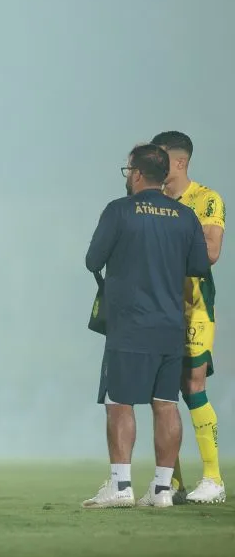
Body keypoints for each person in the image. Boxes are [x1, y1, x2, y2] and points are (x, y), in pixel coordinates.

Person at [82, 144, 210, 509]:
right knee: (167, 405)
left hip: (129, 324)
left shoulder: (119, 211)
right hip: (171, 325)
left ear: (137, 173)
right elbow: (199, 265)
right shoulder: (185, 216)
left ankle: (121, 486)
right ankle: (161, 490)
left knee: (119, 403)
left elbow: (93, 259)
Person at [151, 131, 226, 504]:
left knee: (193, 386)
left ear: (179, 162)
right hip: (156, 307)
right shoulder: (150, 201)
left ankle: (213, 478)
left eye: (161, 158)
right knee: (161, 393)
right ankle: (173, 482)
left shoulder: (206, 199)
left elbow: (210, 252)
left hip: (194, 307)